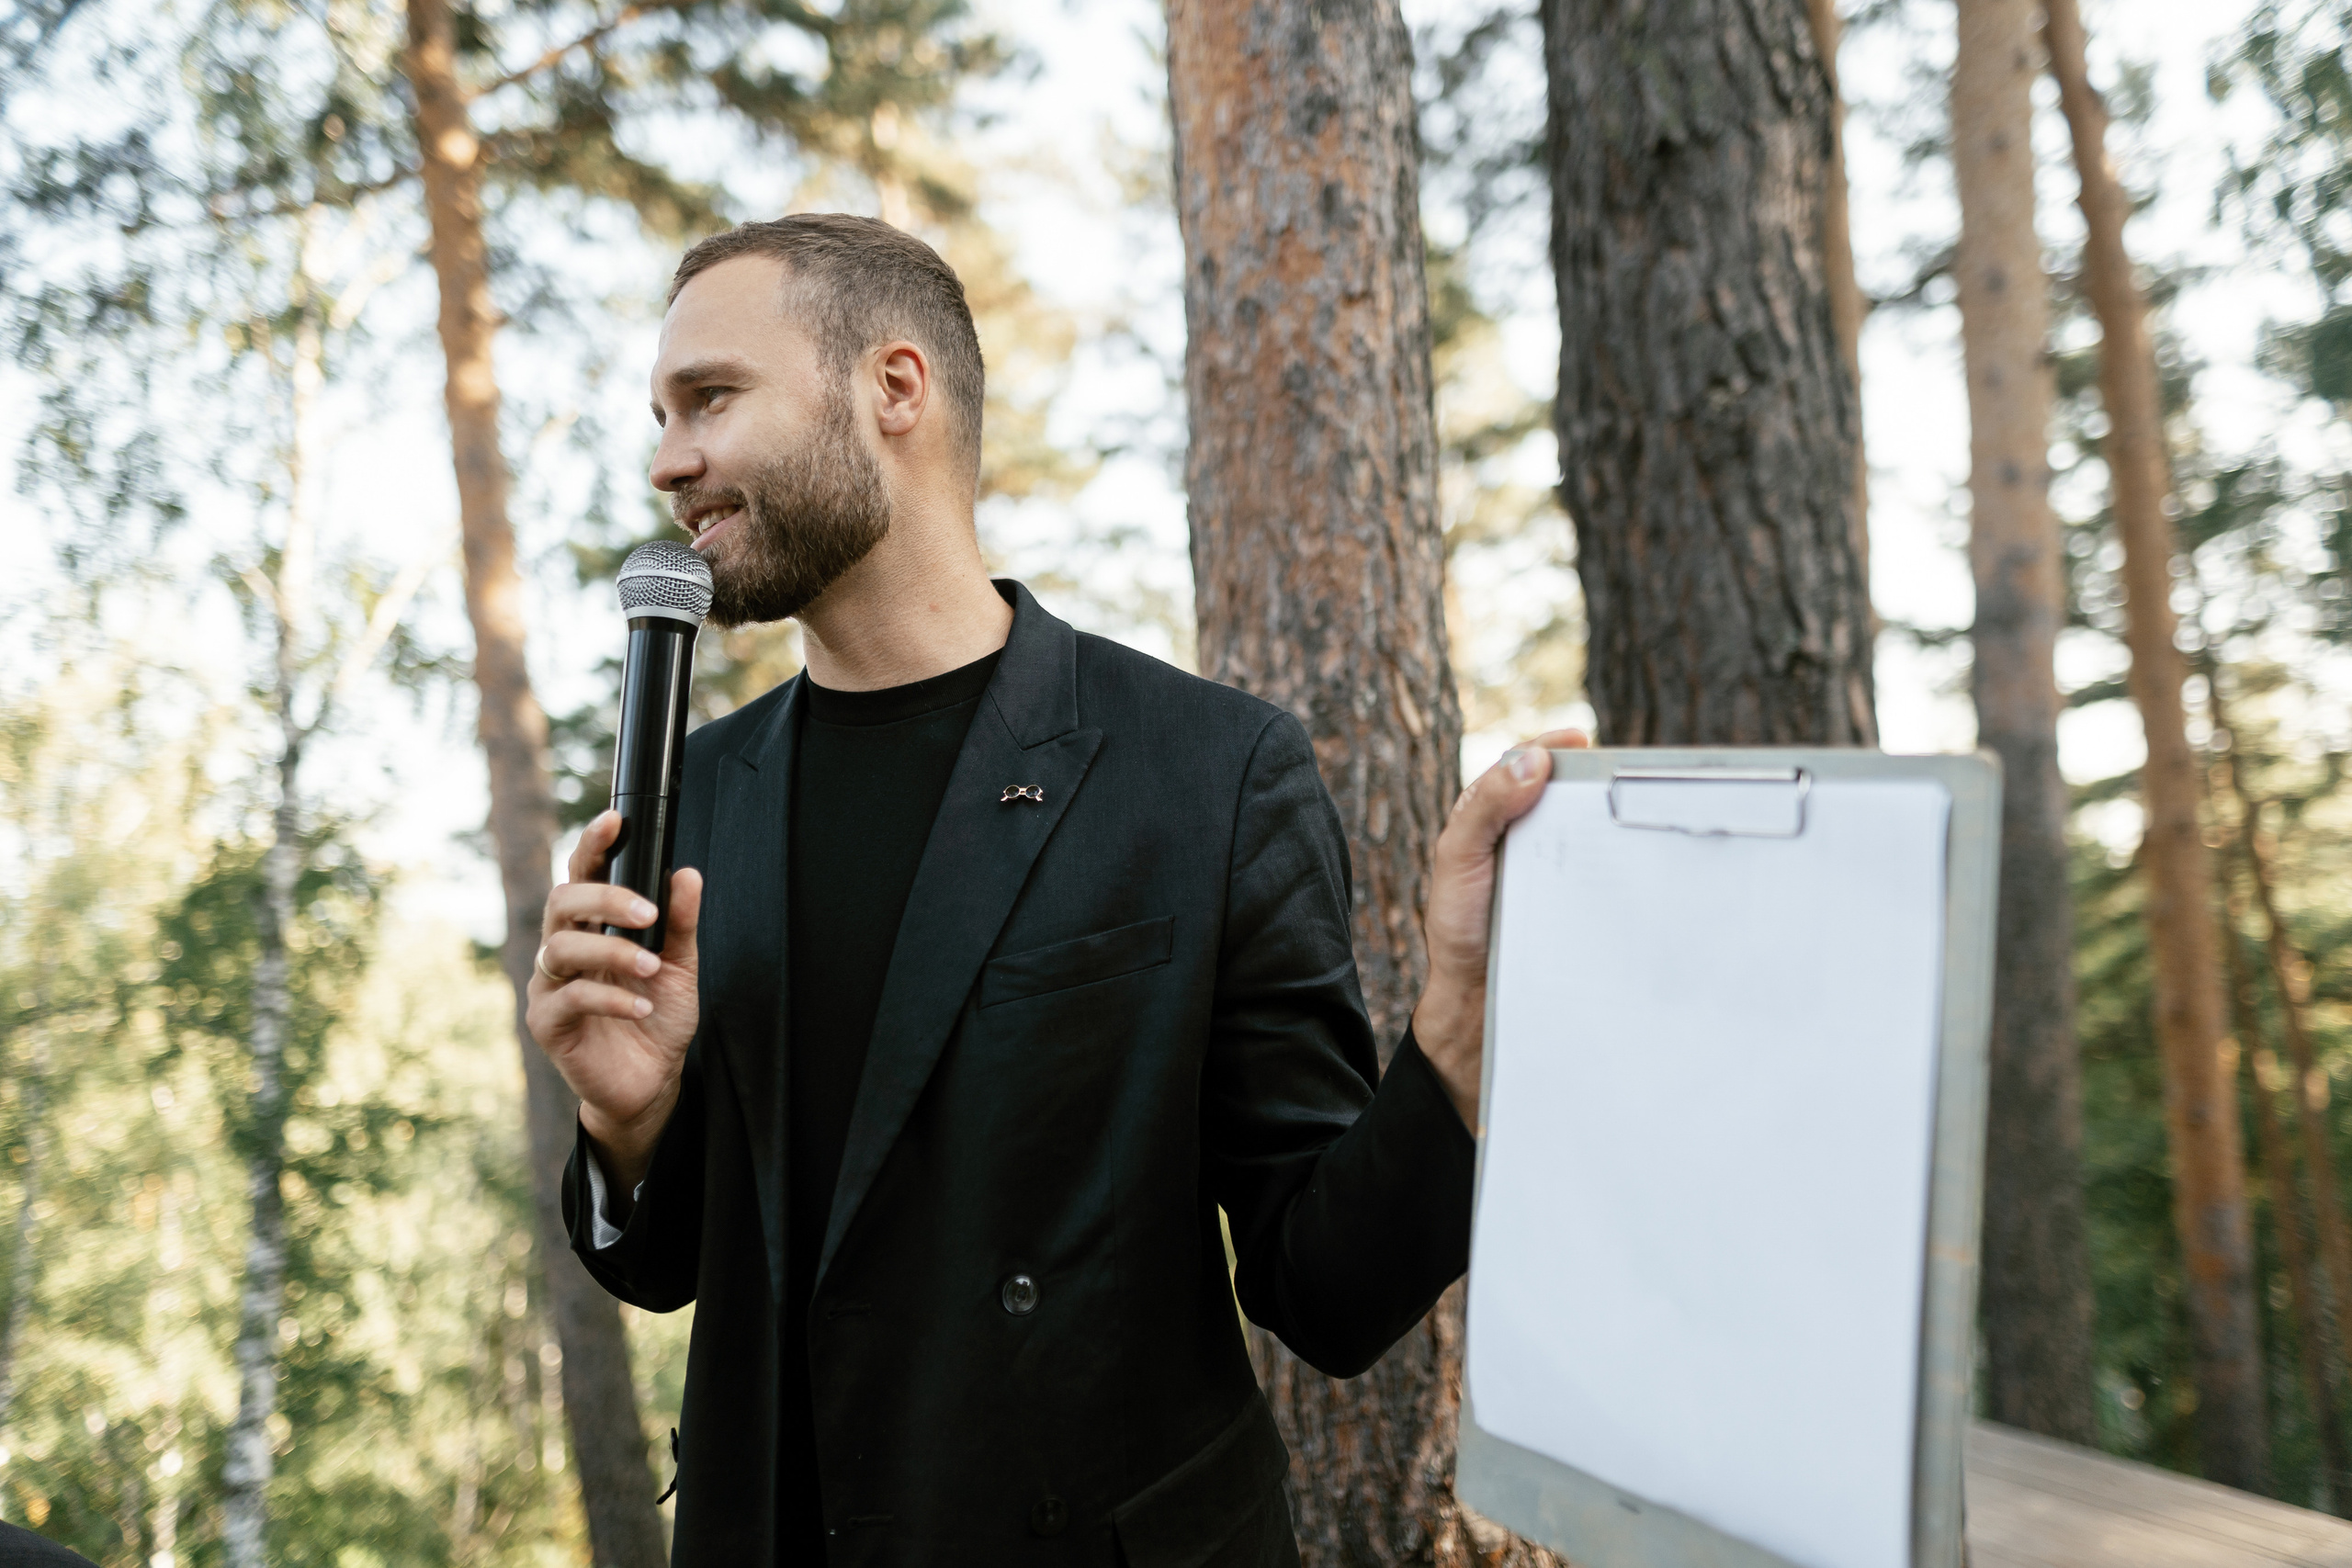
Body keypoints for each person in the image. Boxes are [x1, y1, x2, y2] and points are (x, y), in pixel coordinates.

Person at [531, 213, 1575, 1566]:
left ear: (893, 387)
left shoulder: (1205, 771)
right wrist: (627, 1127)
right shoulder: (698, 796)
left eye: (710, 398)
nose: (668, 461)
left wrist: (1457, 1052)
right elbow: (667, 1269)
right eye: (662, 416)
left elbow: (1326, 1291)